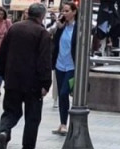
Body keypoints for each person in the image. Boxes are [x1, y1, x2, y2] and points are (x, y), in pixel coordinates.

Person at [0, 2, 52, 149]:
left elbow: (2, 53)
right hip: (33, 83)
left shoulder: (14, 28)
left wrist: (2, 73)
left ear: (28, 13)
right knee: (32, 116)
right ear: (42, 16)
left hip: (12, 80)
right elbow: (44, 61)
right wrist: (46, 83)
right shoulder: (42, 33)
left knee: (11, 110)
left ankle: (4, 131)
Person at [51, 1, 77, 136]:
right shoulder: (61, 27)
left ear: (74, 12)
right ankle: (62, 123)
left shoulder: (78, 28)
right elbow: (53, 41)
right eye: (63, 11)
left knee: (63, 93)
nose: (64, 13)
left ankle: (70, 123)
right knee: (62, 96)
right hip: (60, 65)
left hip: (71, 66)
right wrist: (58, 27)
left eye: (67, 11)